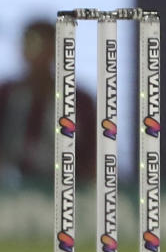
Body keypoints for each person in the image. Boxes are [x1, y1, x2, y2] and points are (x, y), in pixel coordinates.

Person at [0, 20, 95, 188]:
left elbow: (96, 155)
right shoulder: (6, 95)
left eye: (43, 45)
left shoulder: (80, 101)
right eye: (30, 44)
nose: (36, 53)